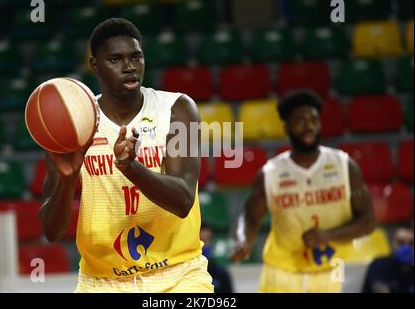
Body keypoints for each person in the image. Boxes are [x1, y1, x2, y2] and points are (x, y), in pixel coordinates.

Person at [39, 18, 213, 293]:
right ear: (95, 65)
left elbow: (183, 200)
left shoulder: (176, 109)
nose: (129, 67)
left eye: (136, 57)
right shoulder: (73, 124)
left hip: (178, 276)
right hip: (101, 282)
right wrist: (67, 179)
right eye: (115, 59)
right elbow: (52, 230)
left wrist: (131, 167)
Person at [231, 90, 376, 293]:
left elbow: (368, 221)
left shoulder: (344, 165)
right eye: (300, 121)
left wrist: (329, 235)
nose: (309, 126)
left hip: (330, 272)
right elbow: (250, 217)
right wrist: (242, 240)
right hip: (281, 273)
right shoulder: (271, 172)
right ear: (287, 127)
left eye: (314, 120)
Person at [362, 225, 414, 293]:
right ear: (391, 244)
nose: (406, 247)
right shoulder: (379, 265)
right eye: (401, 242)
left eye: (411, 243)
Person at [200, 222, 234, 293]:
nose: (204, 245)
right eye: (201, 241)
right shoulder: (184, 272)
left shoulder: (221, 274)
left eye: (207, 241)